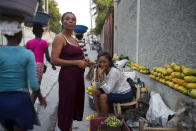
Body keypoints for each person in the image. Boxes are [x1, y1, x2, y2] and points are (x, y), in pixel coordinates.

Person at [0, 20, 46, 131]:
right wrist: (40, 97)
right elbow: (34, 84)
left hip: (2, 101)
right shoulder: (27, 54)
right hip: (20, 100)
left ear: (5, 34)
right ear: (20, 34)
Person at [51, 12, 89, 131]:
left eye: (73, 19)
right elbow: (54, 60)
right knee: (67, 107)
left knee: (73, 107)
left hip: (78, 78)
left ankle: (70, 128)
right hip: (68, 79)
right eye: (67, 19)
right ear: (62, 22)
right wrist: (76, 63)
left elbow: (76, 57)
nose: (71, 21)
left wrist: (85, 61)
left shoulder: (73, 39)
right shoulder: (59, 38)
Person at [92, 52, 133, 117]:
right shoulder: (98, 70)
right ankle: (99, 113)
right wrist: (97, 75)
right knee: (94, 91)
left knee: (103, 97)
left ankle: (104, 118)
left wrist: (100, 76)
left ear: (109, 62)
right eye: (100, 62)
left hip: (124, 94)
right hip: (113, 91)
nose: (102, 64)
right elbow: (97, 86)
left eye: (104, 62)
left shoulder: (114, 72)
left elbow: (108, 91)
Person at [25, 25, 56, 103]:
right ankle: (31, 107)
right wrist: (52, 65)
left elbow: (24, 55)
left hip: (29, 66)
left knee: (30, 87)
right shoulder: (44, 43)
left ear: (33, 33)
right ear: (42, 33)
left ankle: (29, 105)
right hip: (39, 66)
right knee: (36, 88)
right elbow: (48, 57)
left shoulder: (28, 42)